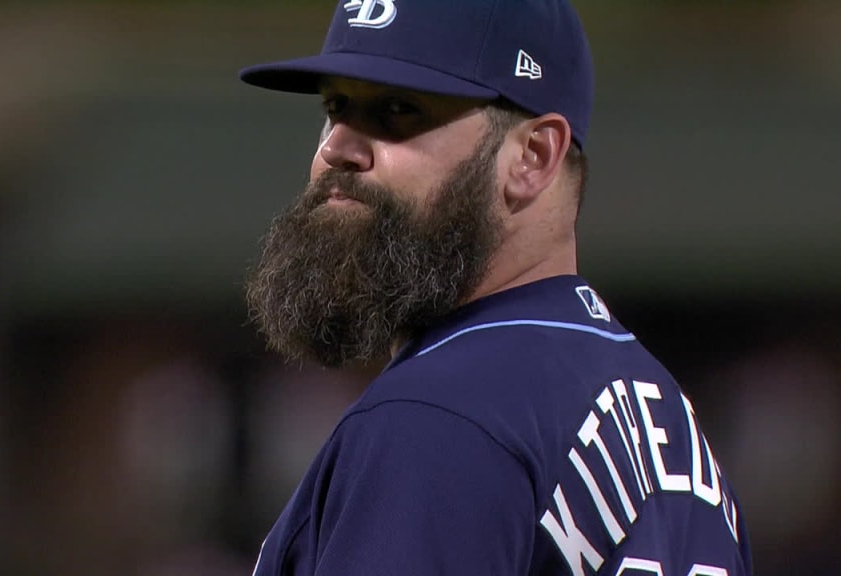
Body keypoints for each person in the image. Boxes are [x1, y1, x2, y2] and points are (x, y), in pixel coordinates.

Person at [239, 1, 753, 575]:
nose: (337, 147)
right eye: (336, 107)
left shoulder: (438, 417)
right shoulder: (667, 422)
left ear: (532, 157)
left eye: (397, 110)